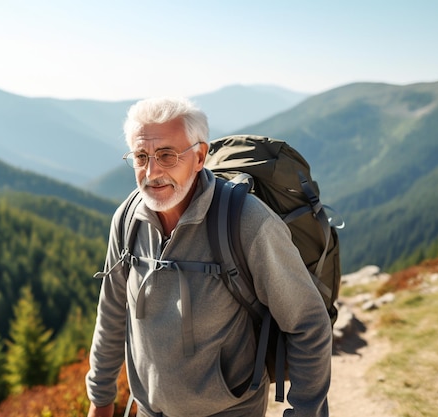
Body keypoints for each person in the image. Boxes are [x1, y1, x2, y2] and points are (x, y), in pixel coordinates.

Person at [86, 97, 332, 417]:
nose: (152, 171)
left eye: (167, 155)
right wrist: (100, 400)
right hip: (149, 410)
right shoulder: (127, 219)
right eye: (141, 156)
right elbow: (112, 313)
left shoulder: (247, 222)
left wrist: (306, 411)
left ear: (200, 156)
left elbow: (308, 323)